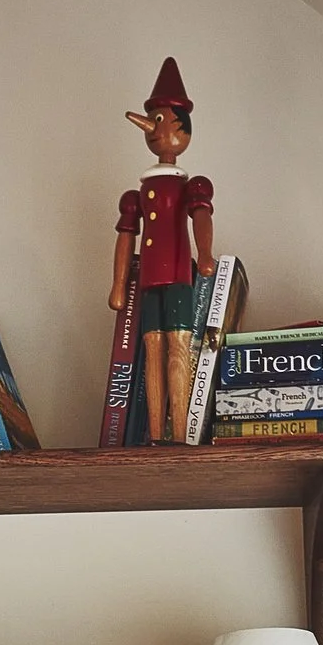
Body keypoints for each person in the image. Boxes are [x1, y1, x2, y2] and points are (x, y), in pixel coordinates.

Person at [110, 58, 214, 443]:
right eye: (150, 120)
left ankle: (182, 434)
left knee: (177, 347)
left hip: (179, 280)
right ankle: (156, 434)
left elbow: (200, 217)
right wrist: (119, 285)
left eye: (158, 119)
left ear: (180, 128)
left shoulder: (189, 186)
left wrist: (205, 254)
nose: (152, 128)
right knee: (151, 347)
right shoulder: (137, 193)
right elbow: (126, 236)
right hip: (151, 281)